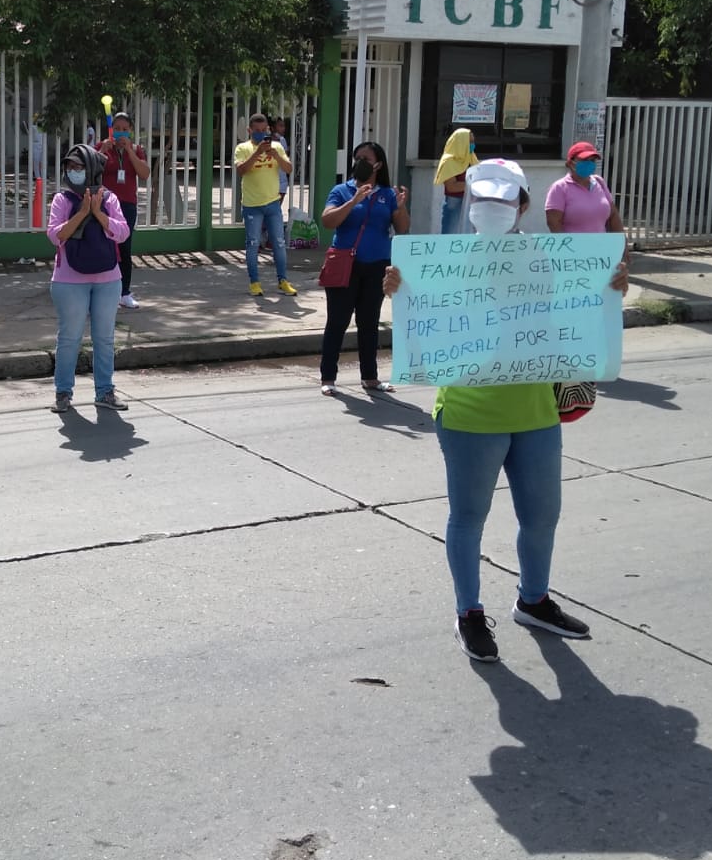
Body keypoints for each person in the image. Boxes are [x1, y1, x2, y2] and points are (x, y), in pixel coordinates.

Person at [383, 159, 629, 663]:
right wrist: (398, 291)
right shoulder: (441, 261)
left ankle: (533, 600)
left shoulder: (549, 257)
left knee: (542, 515)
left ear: (524, 205)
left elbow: (578, 312)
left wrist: (609, 289)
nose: (492, 210)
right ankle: (469, 613)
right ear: (470, 206)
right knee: (469, 516)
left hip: (536, 410)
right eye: (483, 201)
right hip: (469, 413)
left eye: (504, 201)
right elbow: (419, 325)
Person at [318, 140, 409, 396]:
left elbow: (402, 228)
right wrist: (355, 198)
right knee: (338, 320)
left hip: (377, 265)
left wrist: (400, 207)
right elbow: (328, 220)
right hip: (345, 264)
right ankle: (328, 377)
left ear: (378, 164)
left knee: (369, 322)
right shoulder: (342, 190)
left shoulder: (387, 194)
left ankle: (370, 377)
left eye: (366, 159)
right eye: (357, 158)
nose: (360, 163)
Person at [47, 144, 131, 413]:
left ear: (92, 169)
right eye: (70, 167)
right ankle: (63, 393)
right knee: (70, 338)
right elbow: (55, 235)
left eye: (79, 167)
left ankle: (104, 391)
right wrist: (83, 212)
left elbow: (122, 232)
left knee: (104, 338)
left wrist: (98, 212)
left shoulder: (110, 199)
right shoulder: (62, 200)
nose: (74, 172)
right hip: (69, 281)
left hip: (108, 279)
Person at [234, 112, 296, 296]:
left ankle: (282, 280)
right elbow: (241, 170)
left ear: (268, 129)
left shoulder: (277, 146)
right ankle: (254, 282)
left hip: (273, 203)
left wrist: (276, 155)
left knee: (278, 242)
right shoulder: (243, 148)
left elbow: (289, 169)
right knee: (252, 243)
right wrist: (257, 152)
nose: (261, 134)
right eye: (256, 131)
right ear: (249, 130)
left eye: (264, 130)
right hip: (252, 204)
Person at [98, 111, 149, 310]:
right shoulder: (103, 147)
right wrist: (102, 150)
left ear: (131, 132)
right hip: (104, 204)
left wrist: (130, 152)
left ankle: (124, 292)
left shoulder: (136, 150)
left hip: (127, 205)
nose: (120, 133)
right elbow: (91, 171)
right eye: (117, 129)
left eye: (125, 130)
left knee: (125, 248)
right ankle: (103, 291)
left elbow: (144, 173)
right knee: (104, 246)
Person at [544, 141, 628, 241]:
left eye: (592, 160)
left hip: (601, 249)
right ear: (571, 163)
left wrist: (622, 244)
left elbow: (613, 215)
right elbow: (553, 222)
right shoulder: (560, 188)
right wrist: (565, 249)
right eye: (584, 160)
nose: (589, 164)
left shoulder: (599, 182)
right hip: (574, 250)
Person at [433, 128, 478, 234]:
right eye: (470, 142)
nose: (473, 144)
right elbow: (451, 186)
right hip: (455, 204)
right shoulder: (448, 161)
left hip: (471, 204)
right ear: (461, 142)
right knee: (451, 237)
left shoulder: (471, 158)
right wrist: (473, 184)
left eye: (473, 141)